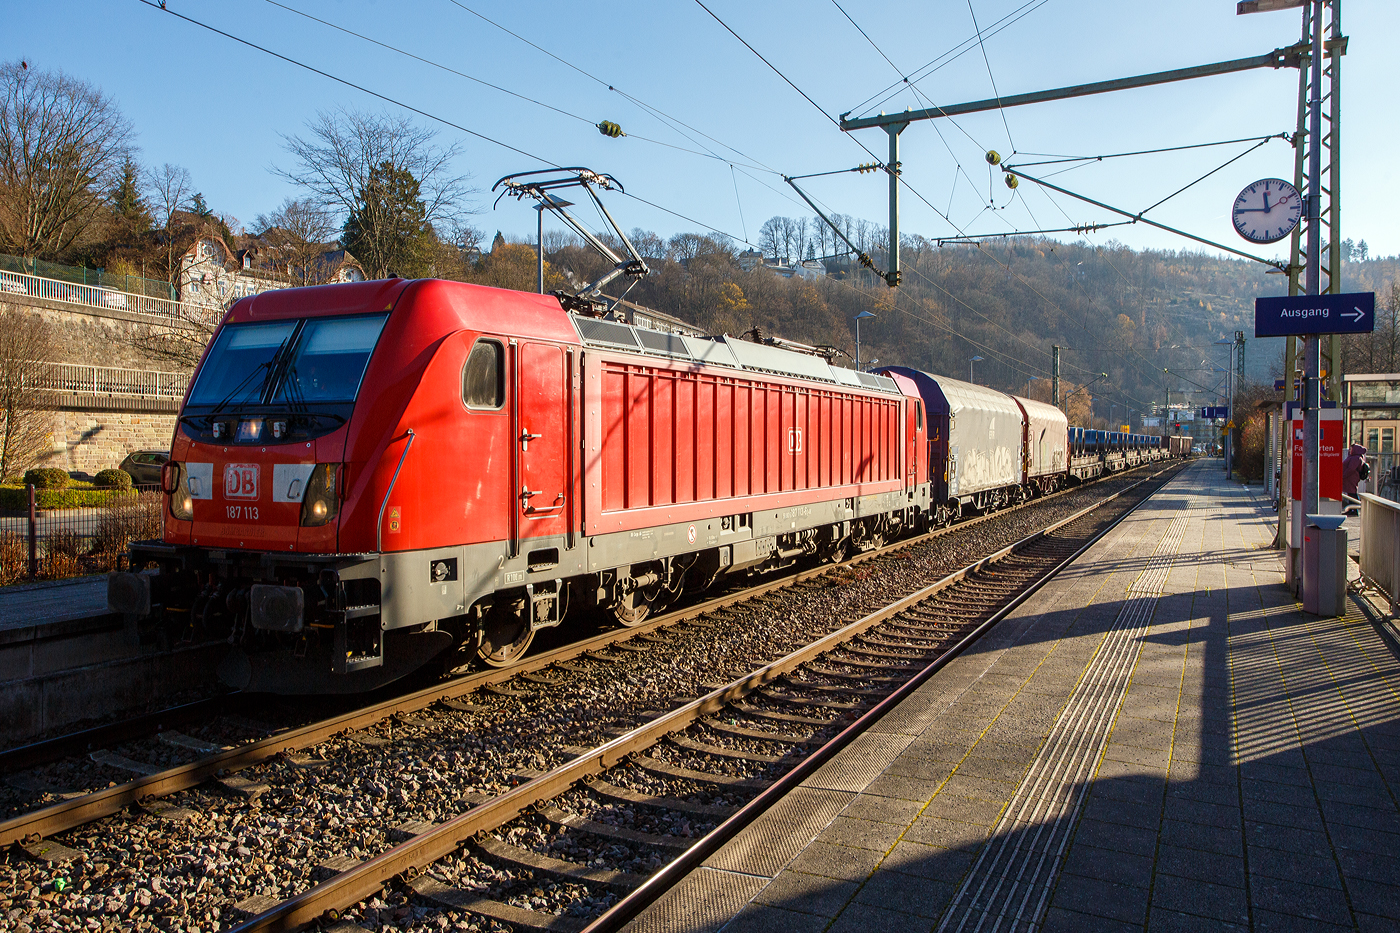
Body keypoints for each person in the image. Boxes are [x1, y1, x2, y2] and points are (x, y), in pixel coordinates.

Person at [1342, 443, 1369, 513]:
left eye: (1351, 449)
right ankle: (1352, 509)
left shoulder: (1355, 458)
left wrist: (1343, 475)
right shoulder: (1355, 457)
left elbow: (1351, 469)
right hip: (1350, 478)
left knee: (1351, 493)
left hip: (1350, 478)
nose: (1350, 450)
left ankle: (1354, 509)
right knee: (1351, 493)